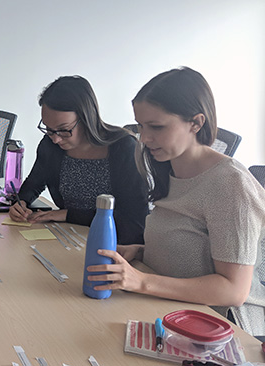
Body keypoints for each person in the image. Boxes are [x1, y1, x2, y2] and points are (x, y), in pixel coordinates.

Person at [88, 67, 265, 336]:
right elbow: (190, 245)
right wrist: (141, 251)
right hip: (168, 313)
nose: (145, 138)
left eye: (157, 127)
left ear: (196, 123)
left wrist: (142, 281)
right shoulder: (167, 167)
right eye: (141, 126)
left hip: (221, 331)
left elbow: (233, 290)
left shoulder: (230, 183)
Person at [9, 76, 148, 244]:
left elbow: (133, 219)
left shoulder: (123, 148)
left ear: (86, 118)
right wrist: (21, 202)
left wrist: (68, 215)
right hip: (68, 237)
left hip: (114, 244)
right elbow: (34, 183)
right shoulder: (50, 145)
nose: (56, 139)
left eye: (63, 130)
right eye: (48, 129)